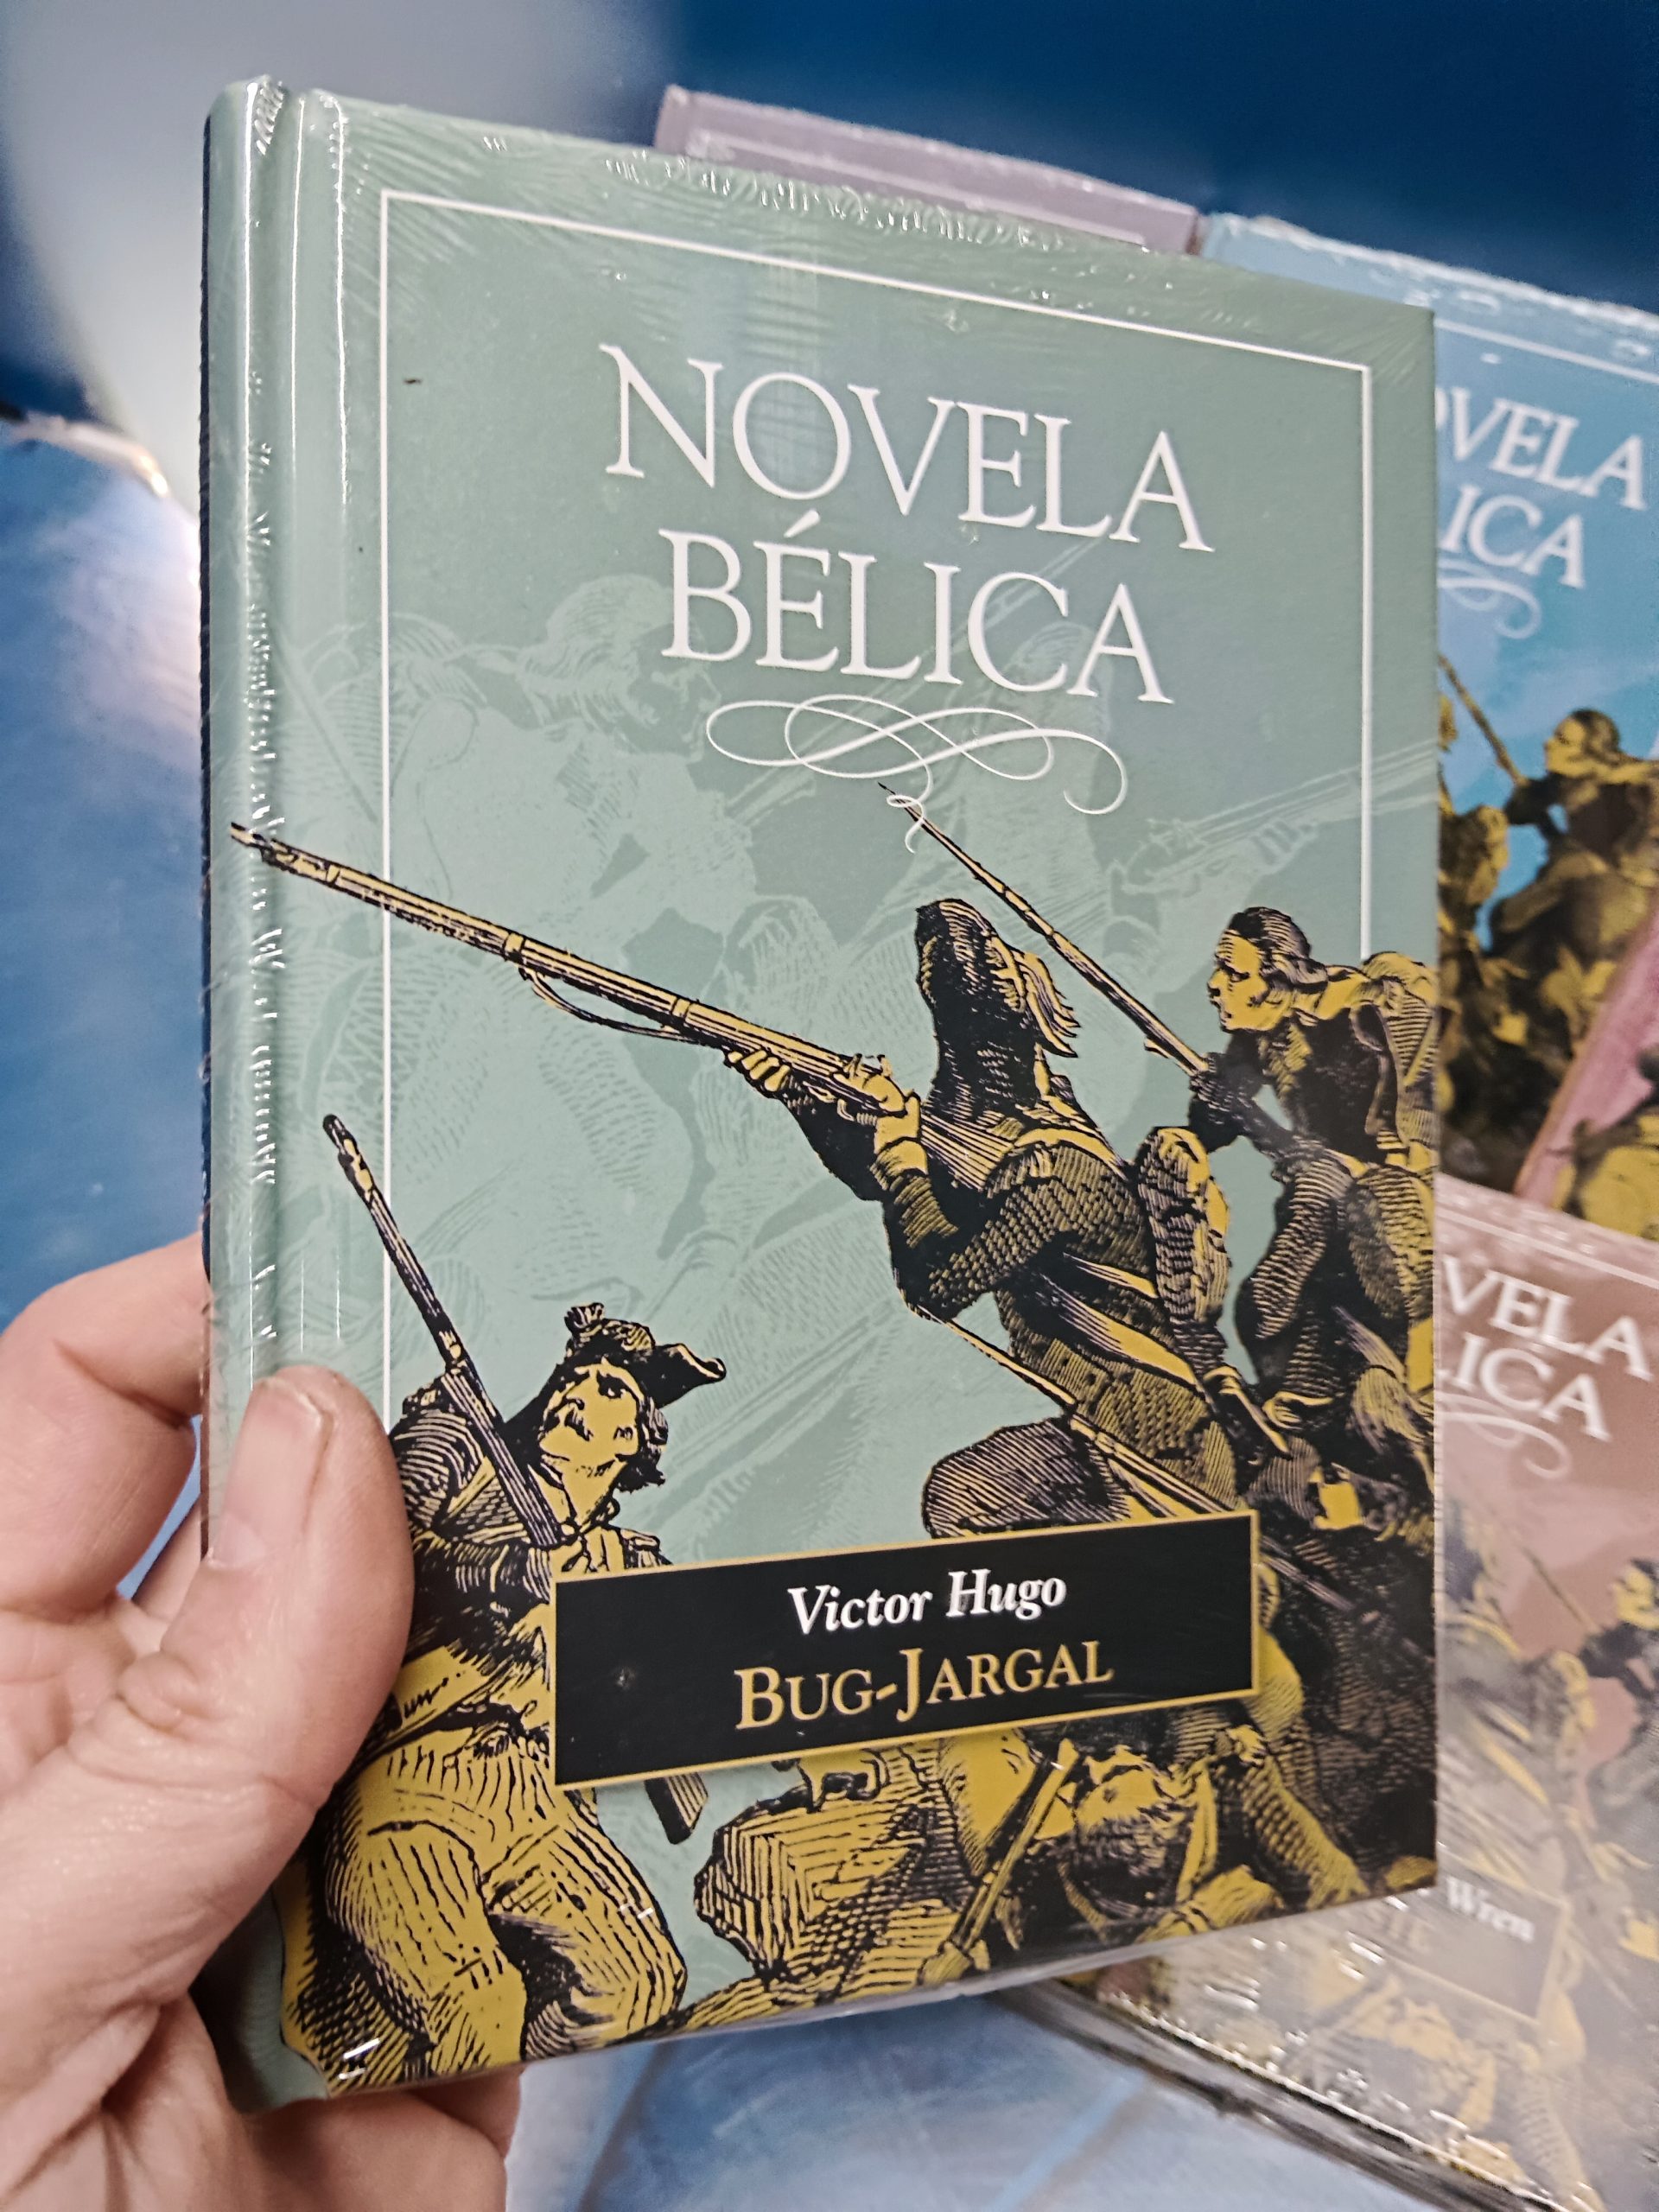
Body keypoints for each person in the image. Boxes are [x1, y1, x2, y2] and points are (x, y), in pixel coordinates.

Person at [0, 1237, 519, 2207]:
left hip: (493, 1791)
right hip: (392, 1798)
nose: (595, 1428)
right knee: (472, 2000)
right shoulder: (462, 1450)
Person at [283, 1303, 723, 2087]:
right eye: (576, 1376)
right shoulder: (461, 1453)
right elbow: (362, 1543)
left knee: (640, 1982)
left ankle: (488, 2092)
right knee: (473, 2006)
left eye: (609, 1390)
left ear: (634, 1441)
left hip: (536, 1805)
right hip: (410, 1785)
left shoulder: (624, 1562)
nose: (577, 1391)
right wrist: (505, 1572)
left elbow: (690, 1690)